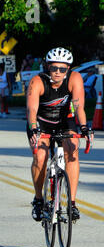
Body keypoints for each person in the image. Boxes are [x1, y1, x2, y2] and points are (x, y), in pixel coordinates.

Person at [26, 47, 93, 222]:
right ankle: (39, 199)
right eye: (54, 68)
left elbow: (78, 106)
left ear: (68, 69)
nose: (57, 72)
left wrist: (85, 127)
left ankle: (71, 203)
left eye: (62, 69)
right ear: (47, 67)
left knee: (72, 150)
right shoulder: (37, 81)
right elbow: (31, 109)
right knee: (40, 156)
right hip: (42, 122)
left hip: (65, 121)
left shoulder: (74, 78)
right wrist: (34, 128)